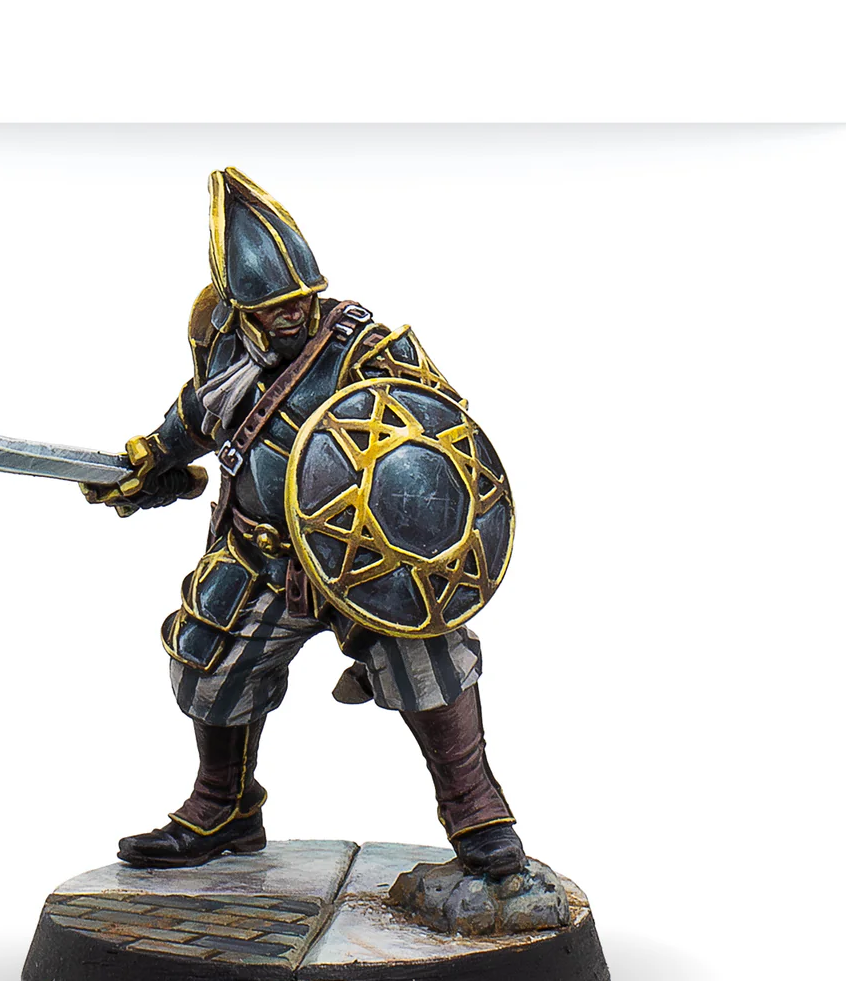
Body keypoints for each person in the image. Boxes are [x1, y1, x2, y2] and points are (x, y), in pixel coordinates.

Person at [83, 168, 524, 878]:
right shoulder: (226, 346)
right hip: (261, 556)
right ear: (239, 307)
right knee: (208, 657)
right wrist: (153, 460)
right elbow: (201, 410)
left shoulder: (367, 349)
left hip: (372, 561)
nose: (289, 316)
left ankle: (478, 814)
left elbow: (439, 444)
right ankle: (224, 808)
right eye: (271, 308)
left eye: (298, 301)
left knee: (431, 661)